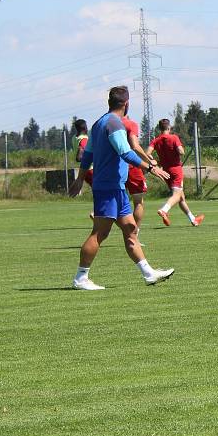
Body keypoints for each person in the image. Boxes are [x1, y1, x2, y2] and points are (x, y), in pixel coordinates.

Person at [68, 86, 174, 290]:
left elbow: (88, 155)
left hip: (115, 187)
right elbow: (126, 152)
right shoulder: (114, 124)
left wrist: (80, 178)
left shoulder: (98, 123)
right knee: (100, 232)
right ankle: (81, 278)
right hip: (108, 186)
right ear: (126, 104)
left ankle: (148, 273)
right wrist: (152, 167)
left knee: (130, 229)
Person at [147, 118, 204, 227]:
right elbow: (181, 152)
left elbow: (147, 153)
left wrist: (153, 161)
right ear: (169, 127)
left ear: (160, 128)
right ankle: (164, 210)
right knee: (177, 195)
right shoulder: (174, 137)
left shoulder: (156, 140)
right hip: (176, 169)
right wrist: (179, 148)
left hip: (165, 171)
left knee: (181, 197)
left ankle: (193, 220)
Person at [121, 113, 154, 245]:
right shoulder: (130, 124)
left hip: (115, 166)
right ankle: (134, 236)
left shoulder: (107, 123)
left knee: (116, 199)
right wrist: (149, 161)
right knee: (138, 202)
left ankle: (97, 212)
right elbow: (135, 146)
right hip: (132, 166)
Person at [73, 119, 94, 219]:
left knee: (98, 190)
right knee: (103, 190)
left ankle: (98, 212)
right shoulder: (84, 139)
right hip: (90, 169)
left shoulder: (74, 138)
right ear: (85, 127)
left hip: (84, 170)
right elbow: (80, 156)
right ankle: (96, 212)